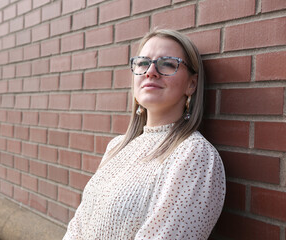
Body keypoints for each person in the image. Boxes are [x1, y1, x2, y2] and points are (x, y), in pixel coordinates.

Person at [63, 29, 226, 240]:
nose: (151, 71)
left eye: (167, 63)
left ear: (191, 84)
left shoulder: (194, 155)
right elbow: (78, 225)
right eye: (142, 63)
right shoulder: (117, 146)